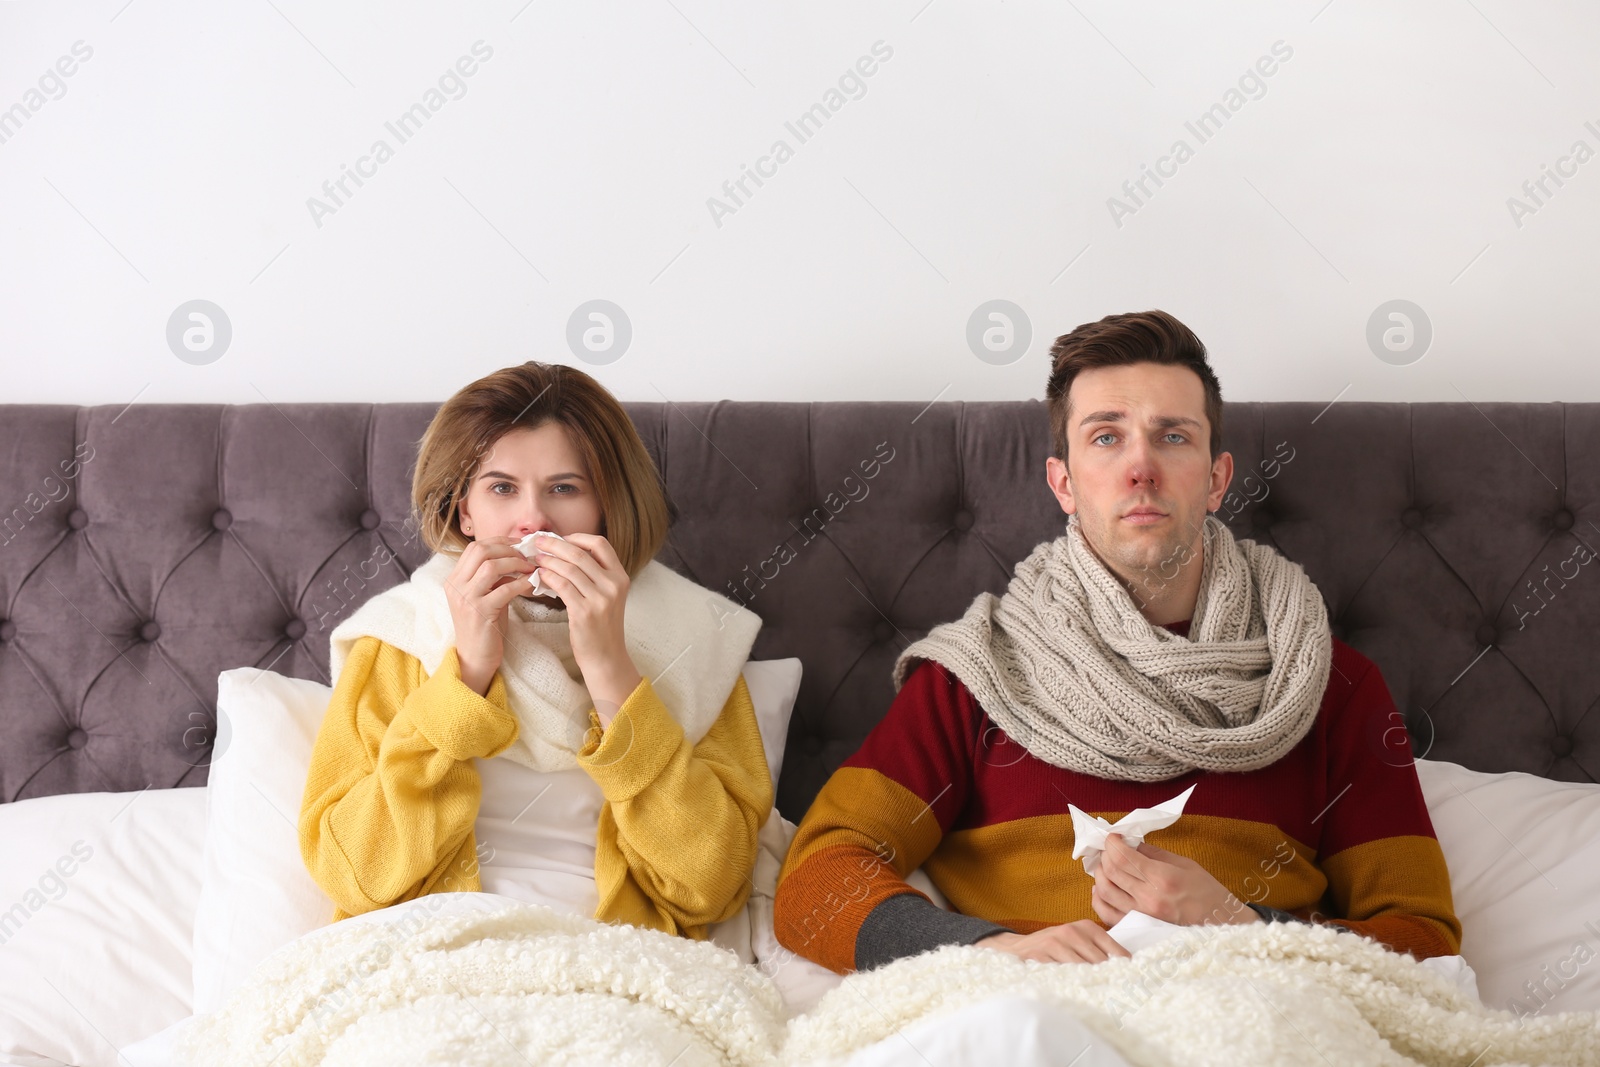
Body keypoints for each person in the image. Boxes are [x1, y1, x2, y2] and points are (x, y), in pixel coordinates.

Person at [773, 309, 1461, 973]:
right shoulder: (977, 675)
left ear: (1217, 478)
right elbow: (813, 881)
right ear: (1064, 483)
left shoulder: (1325, 683)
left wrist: (1239, 925)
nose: (1141, 468)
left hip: (1249, 1019)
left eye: (1173, 436)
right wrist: (989, 953)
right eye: (1106, 436)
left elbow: (1425, 940)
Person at [298, 361, 772, 939]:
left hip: (617, 957)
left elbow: (712, 888)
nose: (534, 521)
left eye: (564, 489)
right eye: (502, 488)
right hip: (430, 952)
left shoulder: (698, 638)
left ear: (605, 506)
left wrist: (610, 667)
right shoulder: (402, 635)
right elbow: (355, 876)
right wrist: (467, 676)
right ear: (464, 512)